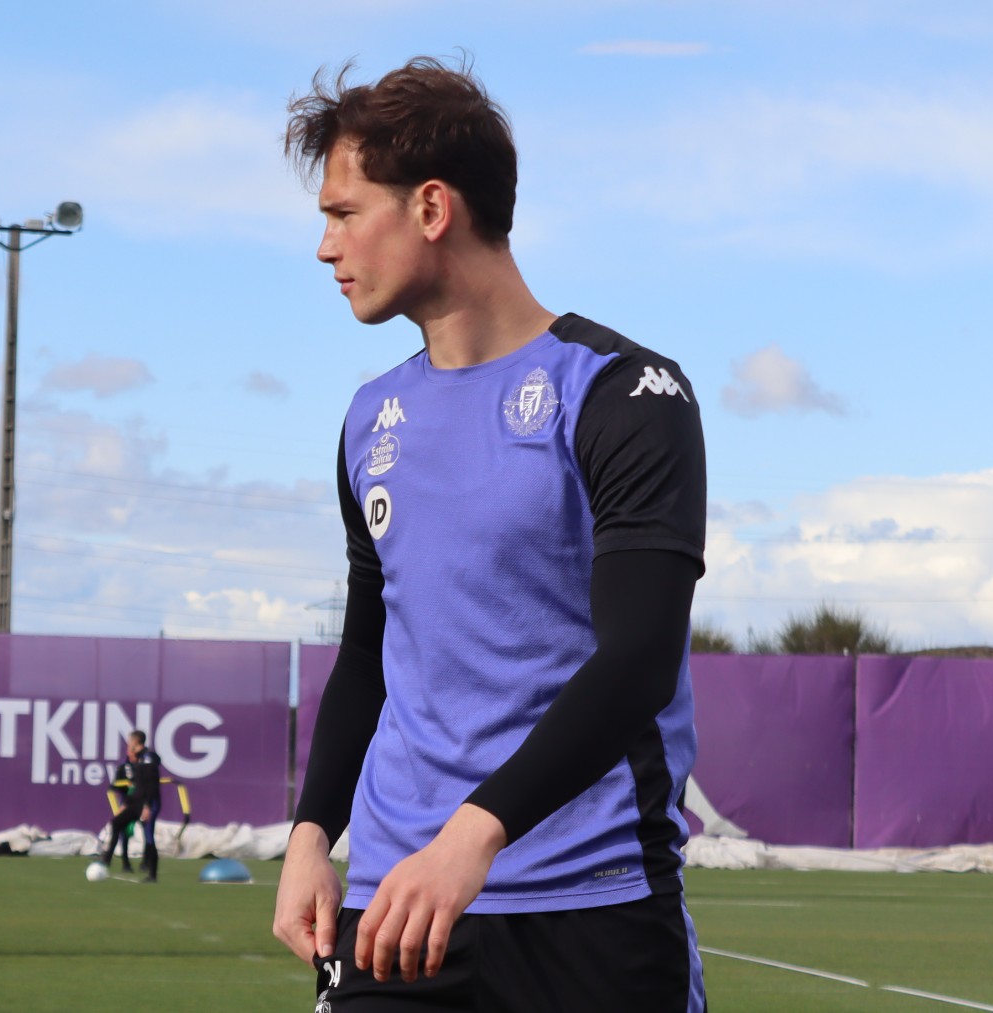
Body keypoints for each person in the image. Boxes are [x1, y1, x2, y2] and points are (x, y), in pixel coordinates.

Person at [274, 58, 709, 1012]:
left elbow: (637, 659)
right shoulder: (368, 418)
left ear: (432, 208)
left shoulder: (623, 392)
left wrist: (475, 835)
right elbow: (369, 650)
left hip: (587, 911)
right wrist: (313, 833)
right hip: (394, 912)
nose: (324, 245)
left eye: (344, 213)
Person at [105, 732, 162, 882]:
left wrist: (148, 806)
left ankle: (152, 874)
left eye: (130, 742)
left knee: (148, 834)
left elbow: (151, 786)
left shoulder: (148, 758)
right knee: (117, 822)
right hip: (136, 802)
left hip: (149, 803)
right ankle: (107, 859)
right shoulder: (136, 760)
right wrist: (126, 804)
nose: (128, 746)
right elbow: (138, 787)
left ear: (136, 742)